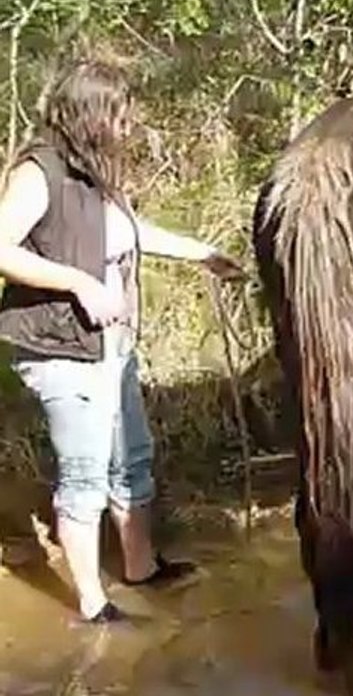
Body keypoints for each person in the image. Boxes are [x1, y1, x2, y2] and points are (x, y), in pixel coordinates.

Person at [0, 58, 245, 624]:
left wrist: (202, 254)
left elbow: (132, 234)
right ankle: (92, 604)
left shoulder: (94, 173)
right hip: (62, 349)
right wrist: (80, 283)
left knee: (132, 461)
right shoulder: (40, 172)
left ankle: (142, 569)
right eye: (120, 114)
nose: (128, 125)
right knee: (84, 478)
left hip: (112, 347)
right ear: (90, 114)